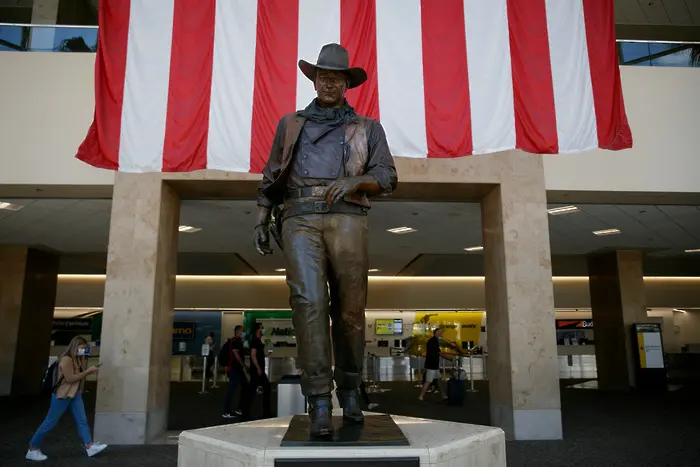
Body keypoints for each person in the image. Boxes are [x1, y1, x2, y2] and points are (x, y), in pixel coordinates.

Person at [253, 43, 397, 438]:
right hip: (299, 217)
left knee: (350, 310)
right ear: (314, 79)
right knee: (309, 304)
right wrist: (263, 216)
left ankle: (350, 388)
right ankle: (318, 399)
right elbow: (271, 173)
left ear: (347, 84)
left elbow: (388, 176)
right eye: (322, 75)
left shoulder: (368, 128)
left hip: (347, 215)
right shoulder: (291, 124)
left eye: (336, 77)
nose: (328, 82)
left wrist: (356, 180)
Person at [26, 336, 107, 461]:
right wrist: (88, 372)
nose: (84, 350)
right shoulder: (66, 359)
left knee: (82, 420)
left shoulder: (78, 359)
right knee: (49, 422)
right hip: (62, 395)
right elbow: (70, 379)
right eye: (82, 348)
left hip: (74, 395)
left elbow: (77, 379)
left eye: (85, 348)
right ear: (75, 346)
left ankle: (89, 446)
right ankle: (33, 448)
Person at [221, 326, 249, 419]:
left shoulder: (236, 341)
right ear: (238, 332)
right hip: (234, 369)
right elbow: (236, 354)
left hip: (237, 369)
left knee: (245, 386)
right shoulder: (236, 341)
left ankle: (239, 408)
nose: (244, 333)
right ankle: (226, 411)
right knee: (232, 390)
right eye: (243, 331)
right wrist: (243, 365)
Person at [247, 324, 272, 419]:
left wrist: (268, 353)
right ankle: (246, 411)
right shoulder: (255, 341)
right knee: (253, 391)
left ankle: (266, 412)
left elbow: (259, 354)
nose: (263, 329)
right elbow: (253, 355)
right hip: (256, 371)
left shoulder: (259, 341)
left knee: (265, 389)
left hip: (259, 370)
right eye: (261, 328)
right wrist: (258, 368)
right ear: (258, 329)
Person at [418, 328, 449, 402]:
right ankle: (420, 397)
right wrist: (448, 358)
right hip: (432, 366)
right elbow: (439, 353)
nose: (441, 334)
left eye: (441, 332)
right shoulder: (433, 341)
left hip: (434, 365)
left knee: (439, 380)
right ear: (436, 333)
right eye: (440, 332)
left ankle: (443, 395)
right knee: (428, 381)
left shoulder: (434, 341)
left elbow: (438, 352)